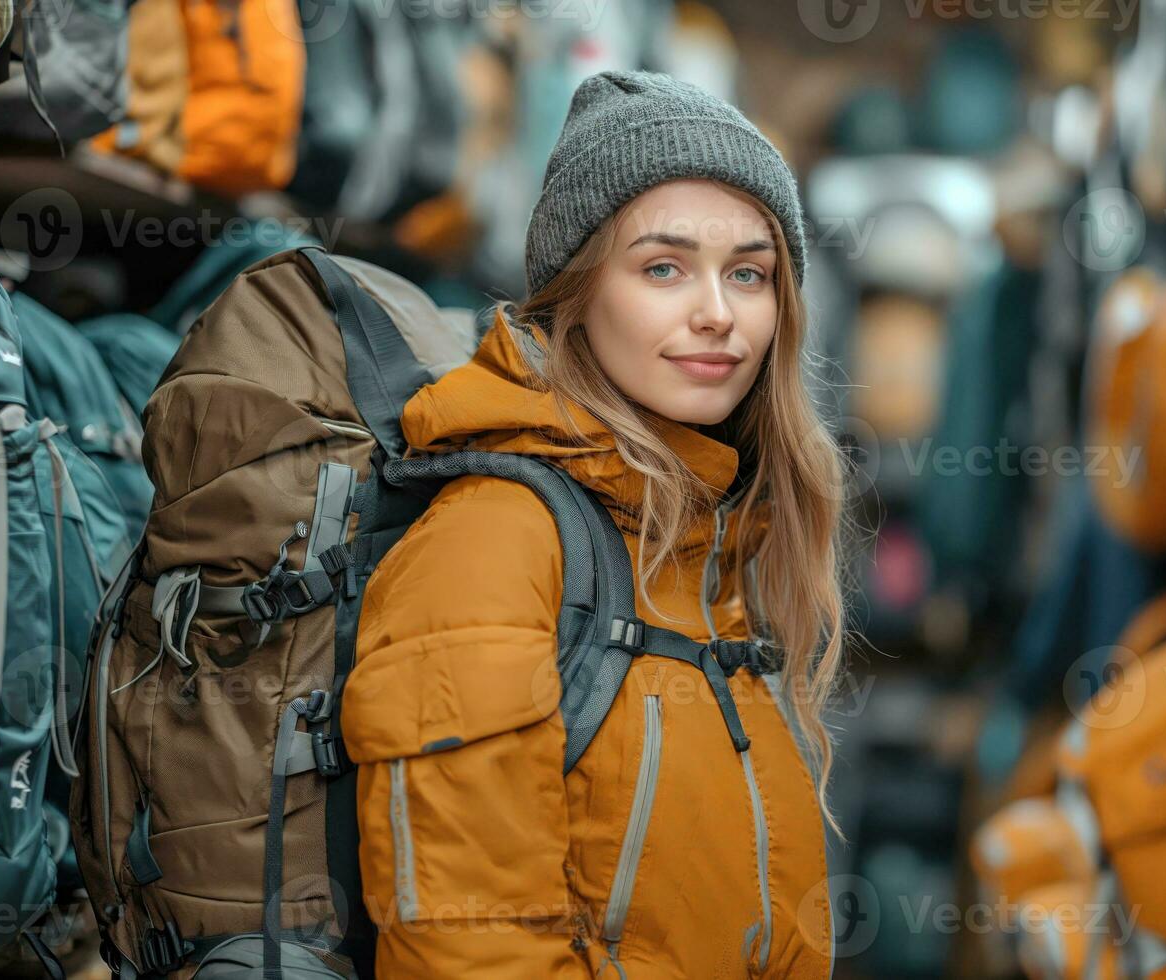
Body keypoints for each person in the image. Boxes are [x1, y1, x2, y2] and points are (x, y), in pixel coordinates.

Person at [343, 69, 848, 978]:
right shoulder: (495, 541)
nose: (718, 314)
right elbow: (466, 949)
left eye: (750, 274)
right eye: (663, 267)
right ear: (575, 292)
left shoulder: (716, 548)